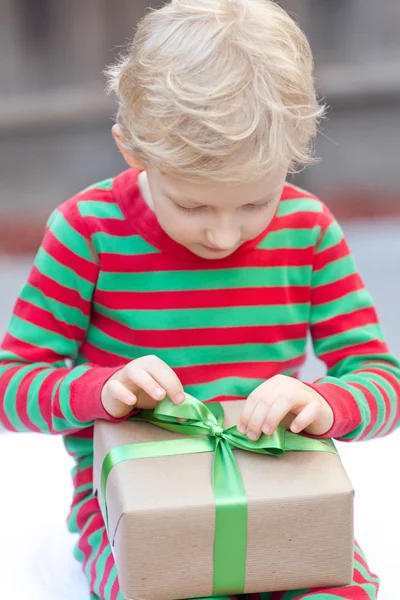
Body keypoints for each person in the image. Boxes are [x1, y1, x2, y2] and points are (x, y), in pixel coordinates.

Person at [0, 1, 398, 598]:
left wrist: (323, 401)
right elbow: (13, 388)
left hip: (280, 484)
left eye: (255, 203)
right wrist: (100, 391)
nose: (223, 235)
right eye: (192, 206)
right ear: (132, 151)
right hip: (132, 499)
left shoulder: (308, 228)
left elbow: (381, 383)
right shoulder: (88, 232)